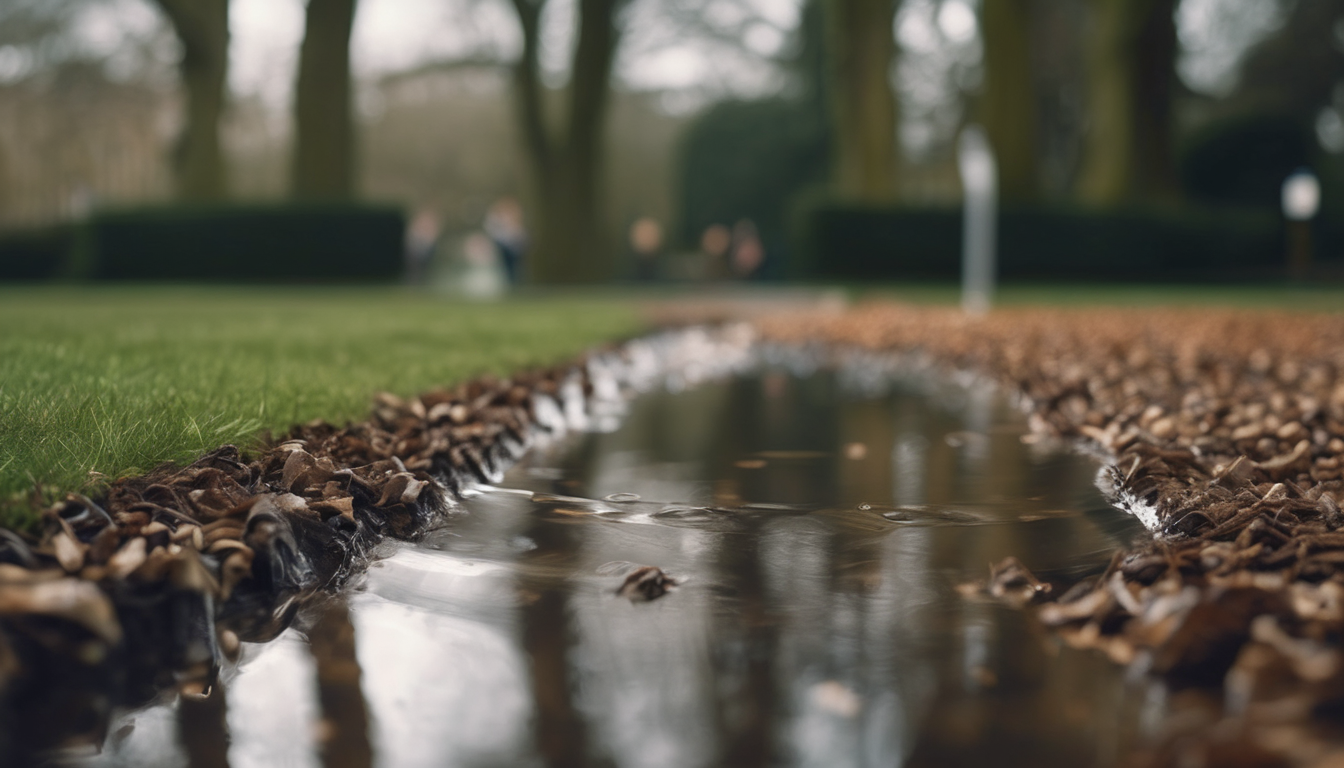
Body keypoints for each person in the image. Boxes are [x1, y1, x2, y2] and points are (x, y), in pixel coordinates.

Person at [484, 197, 527, 285]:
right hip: (505, 245)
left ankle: (515, 282)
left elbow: (518, 233)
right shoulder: (497, 218)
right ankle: (510, 283)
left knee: (515, 266)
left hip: (514, 246)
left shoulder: (514, 218)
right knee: (507, 266)